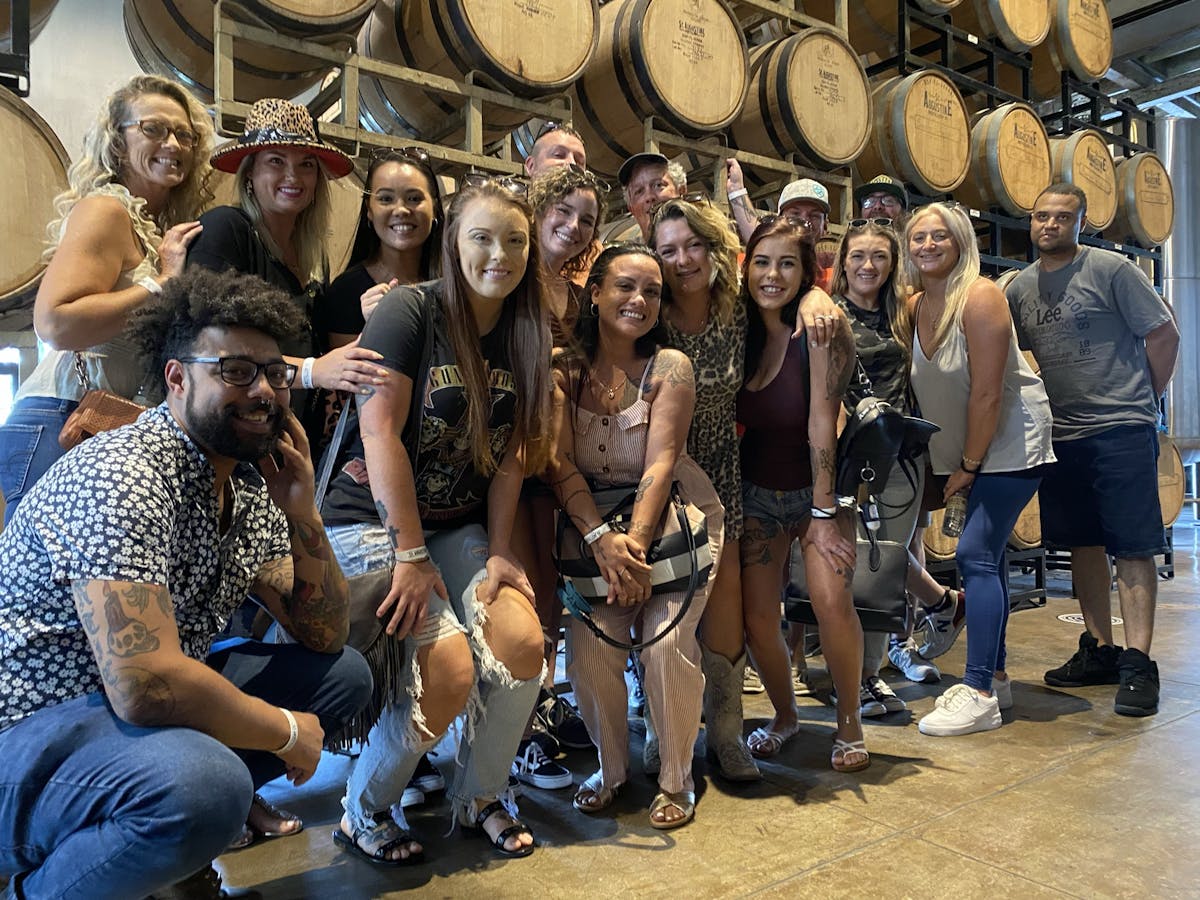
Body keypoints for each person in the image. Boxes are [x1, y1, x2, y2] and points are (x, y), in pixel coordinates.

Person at [0, 266, 371, 899]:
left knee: (343, 678)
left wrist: (304, 510)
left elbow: (322, 631)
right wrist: (283, 730)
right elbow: (147, 685)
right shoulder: (125, 476)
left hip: (115, 718)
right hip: (28, 732)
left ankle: (152, 841)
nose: (264, 392)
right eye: (235, 371)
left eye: (275, 373)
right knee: (206, 788)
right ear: (176, 378)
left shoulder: (246, 489)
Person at [320, 175, 550, 864]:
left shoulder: (526, 331)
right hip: (373, 520)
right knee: (447, 666)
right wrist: (411, 556)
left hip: (456, 524)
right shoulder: (411, 312)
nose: (498, 255)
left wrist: (503, 550)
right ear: (453, 240)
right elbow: (379, 432)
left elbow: (510, 461)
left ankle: (478, 795)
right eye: (481, 237)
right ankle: (363, 810)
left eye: (514, 240)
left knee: (521, 645)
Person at [551, 243, 723, 828]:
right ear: (594, 293)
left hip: (668, 522)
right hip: (588, 528)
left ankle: (676, 778)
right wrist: (602, 538)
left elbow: (662, 459)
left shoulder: (670, 365)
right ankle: (611, 766)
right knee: (590, 650)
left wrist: (636, 548)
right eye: (625, 286)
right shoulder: (564, 368)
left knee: (666, 645)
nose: (640, 300)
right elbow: (558, 462)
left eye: (652, 291)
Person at [0, 74, 212, 523]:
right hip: (62, 414)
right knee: (45, 581)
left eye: (184, 134)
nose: (171, 143)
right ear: (118, 142)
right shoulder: (108, 210)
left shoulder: (154, 227)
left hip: (104, 419)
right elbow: (56, 323)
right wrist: (162, 284)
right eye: (153, 129)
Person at [1006, 183, 1179, 718]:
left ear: (1081, 223)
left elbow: (1163, 333)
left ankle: (1138, 661)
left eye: (1062, 217)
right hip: (1064, 433)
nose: (1050, 225)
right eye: (1041, 216)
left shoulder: (1111, 270)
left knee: (1131, 545)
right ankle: (1101, 649)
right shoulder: (1020, 288)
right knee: (1082, 544)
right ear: (1030, 222)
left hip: (1121, 428)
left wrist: (1142, 398)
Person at [316, 145, 448, 813]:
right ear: (368, 209)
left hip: (443, 479)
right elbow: (341, 403)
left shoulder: (456, 281)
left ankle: (415, 751)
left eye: (416, 197)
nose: (402, 210)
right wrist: (373, 325)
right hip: (369, 479)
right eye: (387, 198)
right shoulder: (345, 290)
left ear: (436, 209)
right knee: (389, 618)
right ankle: (371, 765)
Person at [904, 202, 1056, 737]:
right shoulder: (917, 304)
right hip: (968, 450)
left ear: (961, 239)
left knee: (973, 555)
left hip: (1011, 443)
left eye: (939, 235)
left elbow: (989, 392)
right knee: (985, 556)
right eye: (918, 236)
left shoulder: (981, 296)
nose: (927, 244)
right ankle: (997, 675)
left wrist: (968, 465)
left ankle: (981, 692)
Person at [736, 216, 870, 769]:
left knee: (831, 601)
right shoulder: (739, 329)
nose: (773, 275)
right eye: (762, 262)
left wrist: (823, 511)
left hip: (818, 491)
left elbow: (822, 419)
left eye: (788, 263)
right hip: (755, 493)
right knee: (758, 618)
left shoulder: (821, 327)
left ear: (807, 271)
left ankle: (850, 721)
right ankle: (785, 715)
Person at [188, 98, 388, 452]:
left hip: (282, 440)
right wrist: (313, 371)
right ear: (250, 172)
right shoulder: (226, 229)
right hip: (229, 443)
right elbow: (209, 347)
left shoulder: (313, 256)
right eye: (276, 162)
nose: (293, 177)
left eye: (306, 165)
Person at [647, 196, 757, 780]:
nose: (683, 259)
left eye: (693, 245)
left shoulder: (737, 307)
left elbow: (786, 274)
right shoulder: (649, 309)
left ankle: (727, 730)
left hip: (721, 464)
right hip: (661, 468)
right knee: (664, 599)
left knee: (724, 600)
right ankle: (660, 725)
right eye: (668, 249)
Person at [507, 164, 609, 792]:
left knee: (548, 593)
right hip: (506, 458)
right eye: (562, 212)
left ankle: (537, 705)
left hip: (557, 459)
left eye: (587, 220)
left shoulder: (577, 301)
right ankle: (511, 736)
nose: (572, 228)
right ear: (539, 208)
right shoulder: (505, 280)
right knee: (513, 593)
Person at [829, 220, 956, 715]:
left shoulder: (902, 313)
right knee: (858, 567)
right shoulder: (828, 313)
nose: (867, 266)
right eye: (857, 256)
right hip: (852, 458)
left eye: (878, 257)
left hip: (902, 456)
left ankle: (870, 675)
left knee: (884, 565)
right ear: (842, 263)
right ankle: (853, 678)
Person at [620, 151, 686, 240]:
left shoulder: (708, 243)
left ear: (682, 191)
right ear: (631, 209)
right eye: (639, 191)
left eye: (658, 185)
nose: (649, 196)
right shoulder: (631, 253)